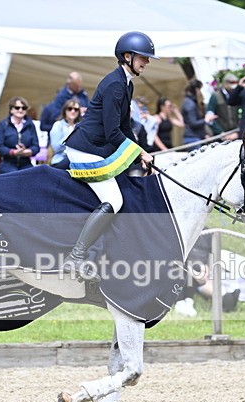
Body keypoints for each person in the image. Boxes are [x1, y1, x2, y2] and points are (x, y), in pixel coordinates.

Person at [61, 31, 157, 279]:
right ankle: (76, 257)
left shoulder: (127, 83)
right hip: (85, 149)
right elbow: (113, 132)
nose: (147, 62)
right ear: (127, 56)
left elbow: (125, 128)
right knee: (114, 200)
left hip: (97, 147)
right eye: (143, 58)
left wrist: (143, 152)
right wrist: (139, 155)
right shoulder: (115, 84)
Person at [0, 96, 39, 174]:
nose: (20, 110)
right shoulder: (3, 125)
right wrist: (13, 152)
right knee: (13, 176)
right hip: (7, 162)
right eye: (17, 108)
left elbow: (36, 146)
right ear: (11, 110)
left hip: (26, 162)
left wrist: (29, 151)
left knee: (32, 176)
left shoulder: (30, 125)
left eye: (23, 108)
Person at [206, 72, 239, 141]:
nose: (234, 85)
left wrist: (238, 132)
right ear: (225, 83)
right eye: (232, 83)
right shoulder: (215, 96)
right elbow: (210, 117)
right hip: (220, 137)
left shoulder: (237, 95)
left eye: (236, 82)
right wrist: (220, 132)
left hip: (235, 135)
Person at [49, 98, 81, 167]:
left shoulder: (80, 126)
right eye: (70, 108)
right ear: (65, 110)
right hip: (60, 159)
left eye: (76, 109)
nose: (73, 111)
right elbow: (56, 148)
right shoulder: (58, 125)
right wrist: (70, 136)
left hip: (78, 159)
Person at [181, 78, 208, 146]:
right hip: (193, 138)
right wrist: (206, 120)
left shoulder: (189, 101)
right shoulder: (190, 104)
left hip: (195, 137)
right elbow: (193, 123)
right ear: (196, 89)